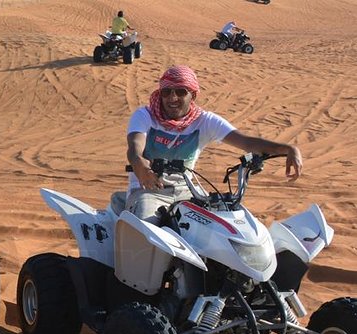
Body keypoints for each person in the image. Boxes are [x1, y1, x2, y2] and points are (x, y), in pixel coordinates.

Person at [125, 65, 302, 225]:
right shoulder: (145, 116)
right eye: (166, 92)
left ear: (192, 95)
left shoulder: (204, 121)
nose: (172, 97)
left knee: (222, 225)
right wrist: (139, 165)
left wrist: (288, 149)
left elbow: (246, 141)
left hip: (187, 192)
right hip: (147, 191)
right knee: (145, 227)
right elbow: (134, 147)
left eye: (180, 92)